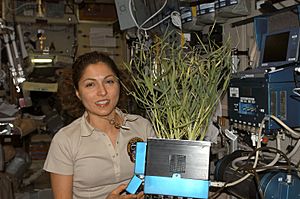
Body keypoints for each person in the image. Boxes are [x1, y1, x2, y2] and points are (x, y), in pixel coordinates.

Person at [43, 51, 156, 199]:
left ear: (119, 85)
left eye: (109, 81)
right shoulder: (65, 141)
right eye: (90, 85)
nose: (102, 92)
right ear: (77, 92)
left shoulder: (141, 127)